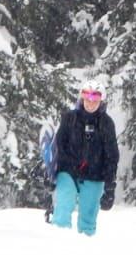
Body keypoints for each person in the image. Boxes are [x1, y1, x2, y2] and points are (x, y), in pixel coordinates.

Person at [49, 79, 119, 236]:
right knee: (63, 208)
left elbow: (111, 155)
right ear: (82, 98)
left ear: (102, 100)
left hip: (95, 175)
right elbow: (57, 146)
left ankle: (85, 249)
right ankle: (57, 242)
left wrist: (110, 185)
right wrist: (50, 172)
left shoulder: (107, 124)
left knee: (88, 219)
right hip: (69, 171)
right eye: (87, 98)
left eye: (95, 99)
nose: (91, 103)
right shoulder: (70, 118)